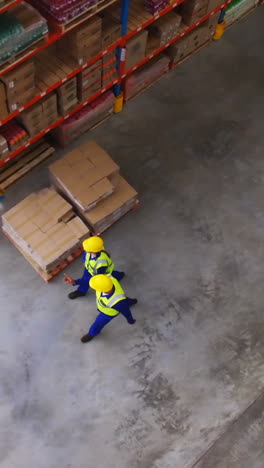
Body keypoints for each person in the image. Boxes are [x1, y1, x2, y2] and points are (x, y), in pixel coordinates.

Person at [81, 274, 138, 343]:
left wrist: (130, 320)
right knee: (124, 302)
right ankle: (131, 302)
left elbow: (126, 312)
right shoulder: (108, 279)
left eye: (93, 287)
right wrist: (75, 282)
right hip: (119, 302)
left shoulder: (116, 301)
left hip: (108, 313)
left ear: (100, 289)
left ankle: (92, 333)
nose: (92, 288)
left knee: (99, 322)